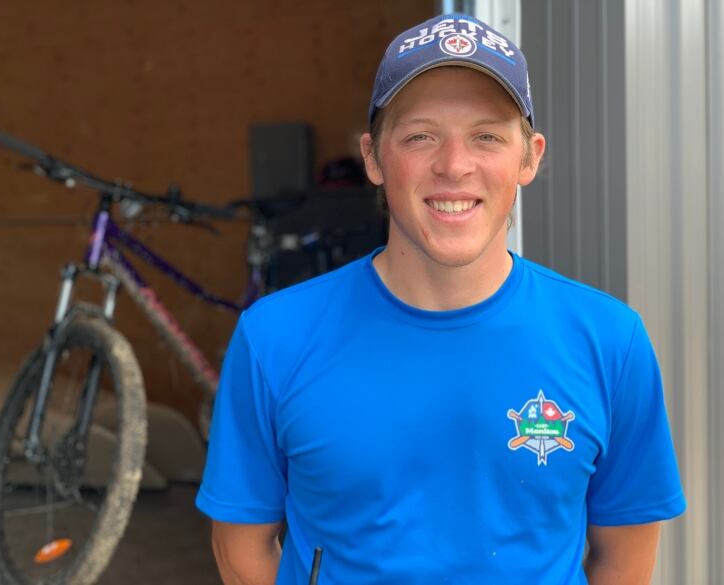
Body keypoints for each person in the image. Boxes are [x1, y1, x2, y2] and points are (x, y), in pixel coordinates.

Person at [197, 13, 686, 584]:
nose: (455, 165)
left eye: (486, 136)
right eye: (420, 136)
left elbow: (624, 560)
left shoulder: (609, 341)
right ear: (374, 158)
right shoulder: (274, 338)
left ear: (529, 157)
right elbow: (242, 549)